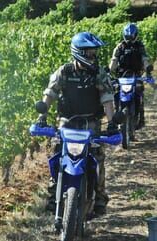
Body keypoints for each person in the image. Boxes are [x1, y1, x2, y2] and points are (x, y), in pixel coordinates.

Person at [37, 32, 116, 216]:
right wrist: (42, 114)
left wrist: (111, 122)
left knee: (97, 159)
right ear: (79, 52)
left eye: (94, 52)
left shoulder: (99, 73)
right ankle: (52, 194)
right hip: (67, 122)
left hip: (91, 123)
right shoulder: (64, 71)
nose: (93, 56)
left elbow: (107, 99)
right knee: (57, 154)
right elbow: (51, 93)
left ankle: (100, 198)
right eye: (89, 52)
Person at [109, 23, 153, 131]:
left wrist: (148, 69)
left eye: (132, 37)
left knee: (139, 96)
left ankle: (141, 119)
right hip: (122, 77)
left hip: (136, 76)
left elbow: (144, 58)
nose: (130, 39)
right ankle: (116, 117)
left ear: (136, 35)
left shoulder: (140, 46)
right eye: (128, 37)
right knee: (116, 95)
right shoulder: (119, 47)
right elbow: (114, 60)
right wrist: (109, 71)